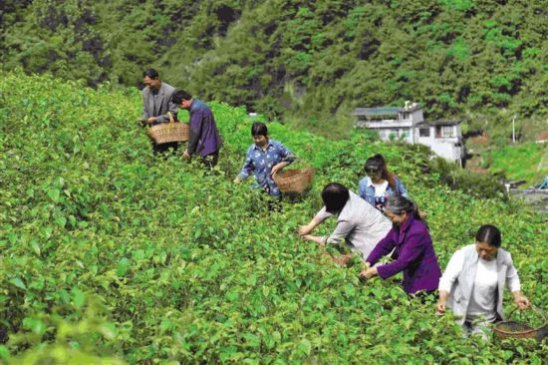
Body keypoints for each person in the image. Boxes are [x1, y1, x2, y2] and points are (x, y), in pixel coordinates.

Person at [436, 225, 530, 336]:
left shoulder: (504, 258)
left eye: (489, 250)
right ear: (476, 242)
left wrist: (518, 296)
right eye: (480, 249)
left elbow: (512, 277)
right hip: (458, 314)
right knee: (460, 345)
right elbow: (447, 279)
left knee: (482, 347)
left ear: (497, 247)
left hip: (485, 319)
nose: (483, 253)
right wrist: (442, 300)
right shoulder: (463, 255)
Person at [360, 195, 441, 295]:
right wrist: (369, 262)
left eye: (392, 217)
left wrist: (374, 271)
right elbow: (384, 245)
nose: (391, 220)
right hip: (411, 277)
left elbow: (402, 262)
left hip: (425, 281)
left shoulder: (417, 231)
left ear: (403, 213)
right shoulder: (399, 225)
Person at [299, 183, 392, 261]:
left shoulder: (348, 217)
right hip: (389, 229)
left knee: (339, 254)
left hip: (382, 247)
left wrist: (310, 237)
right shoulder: (346, 194)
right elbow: (329, 206)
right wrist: (310, 226)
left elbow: (333, 242)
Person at [234, 122, 296, 199]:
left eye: (259, 137)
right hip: (258, 190)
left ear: (266, 136)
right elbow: (246, 169)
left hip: (276, 190)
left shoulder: (276, 146)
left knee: (276, 208)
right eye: (255, 138)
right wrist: (238, 179)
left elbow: (292, 157)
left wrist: (279, 166)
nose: (257, 140)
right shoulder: (251, 151)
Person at [172, 90, 222, 168]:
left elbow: (195, 132)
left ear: (183, 101)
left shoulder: (196, 109)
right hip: (211, 145)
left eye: (179, 106)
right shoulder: (198, 104)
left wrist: (188, 151)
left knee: (207, 173)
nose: (180, 108)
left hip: (207, 147)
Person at [141, 68, 179, 153]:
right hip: (155, 133)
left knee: (169, 157)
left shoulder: (171, 91)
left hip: (169, 133)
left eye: (150, 83)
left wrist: (156, 119)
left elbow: (173, 113)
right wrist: (144, 119)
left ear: (157, 79)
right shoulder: (145, 92)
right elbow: (145, 110)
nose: (148, 86)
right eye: (146, 84)